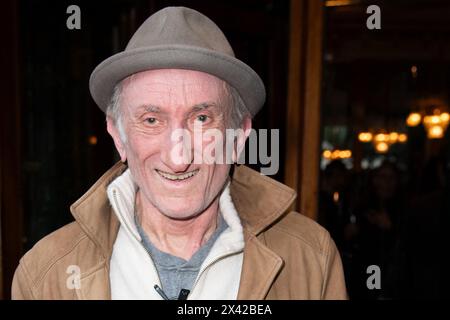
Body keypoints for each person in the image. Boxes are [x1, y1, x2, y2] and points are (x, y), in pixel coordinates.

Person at [11, 6, 346, 300]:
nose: (178, 158)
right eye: (152, 120)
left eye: (201, 119)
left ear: (239, 134)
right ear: (118, 135)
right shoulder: (44, 274)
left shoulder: (311, 258)